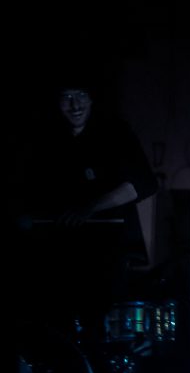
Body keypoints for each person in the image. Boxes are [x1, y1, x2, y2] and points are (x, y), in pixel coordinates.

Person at [9, 84, 159, 346]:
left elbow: (143, 183)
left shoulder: (115, 132)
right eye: (67, 97)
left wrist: (90, 208)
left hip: (106, 252)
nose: (75, 105)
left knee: (98, 328)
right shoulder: (45, 137)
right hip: (58, 253)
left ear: (92, 99)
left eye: (80, 96)